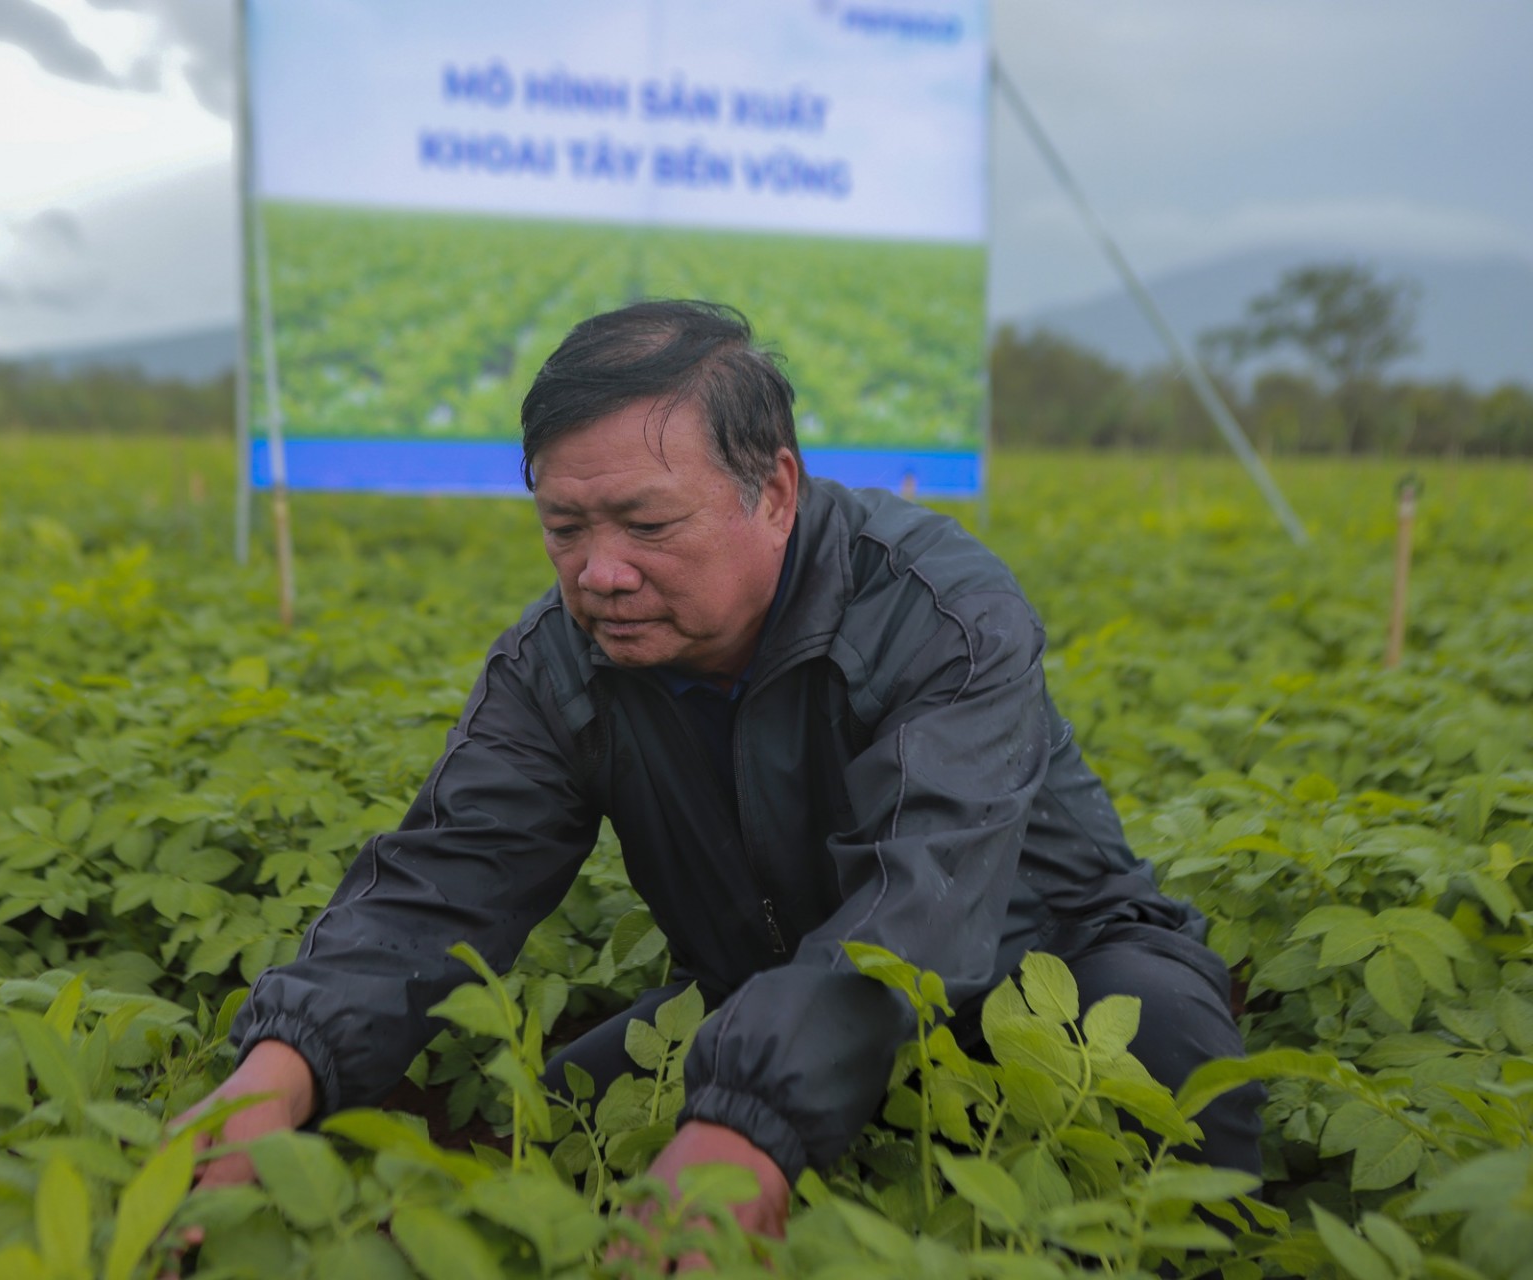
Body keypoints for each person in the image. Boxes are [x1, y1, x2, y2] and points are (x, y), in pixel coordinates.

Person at [178, 300, 1262, 1236]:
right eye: (564, 526)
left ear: (776, 488)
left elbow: (918, 906)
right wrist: (279, 1067)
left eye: (649, 522)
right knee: (539, 1124)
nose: (601, 572)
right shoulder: (558, 661)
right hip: (764, 990)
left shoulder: (940, 614)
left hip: (1045, 970)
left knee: (1169, 1065)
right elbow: (442, 882)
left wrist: (745, 1118)